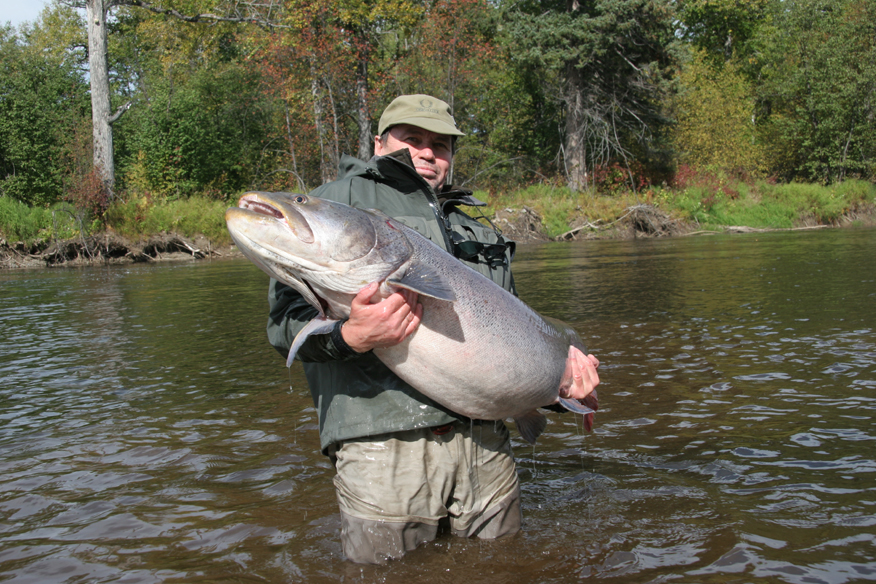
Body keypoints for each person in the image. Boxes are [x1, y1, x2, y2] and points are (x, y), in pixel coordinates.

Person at [266, 94, 600, 564]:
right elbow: (283, 328)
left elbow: (513, 341)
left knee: (503, 570)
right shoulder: (336, 202)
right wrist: (350, 337)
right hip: (385, 449)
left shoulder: (474, 226)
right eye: (413, 139)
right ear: (379, 143)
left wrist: (564, 390)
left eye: (440, 144)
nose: (427, 153)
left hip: (485, 447)